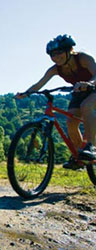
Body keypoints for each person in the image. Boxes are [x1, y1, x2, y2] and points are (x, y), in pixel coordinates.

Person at [15, 34, 96, 169]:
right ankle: (79, 156)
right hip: (79, 92)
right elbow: (38, 84)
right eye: (52, 55)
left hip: (93, 88)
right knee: (70, 122)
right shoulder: (55, 69)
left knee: (86, 106)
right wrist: (26, 93)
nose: (55, 58)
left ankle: (91, 146)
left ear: (69, 50)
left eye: (59, 53)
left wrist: (89, 83)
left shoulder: (83, 58)